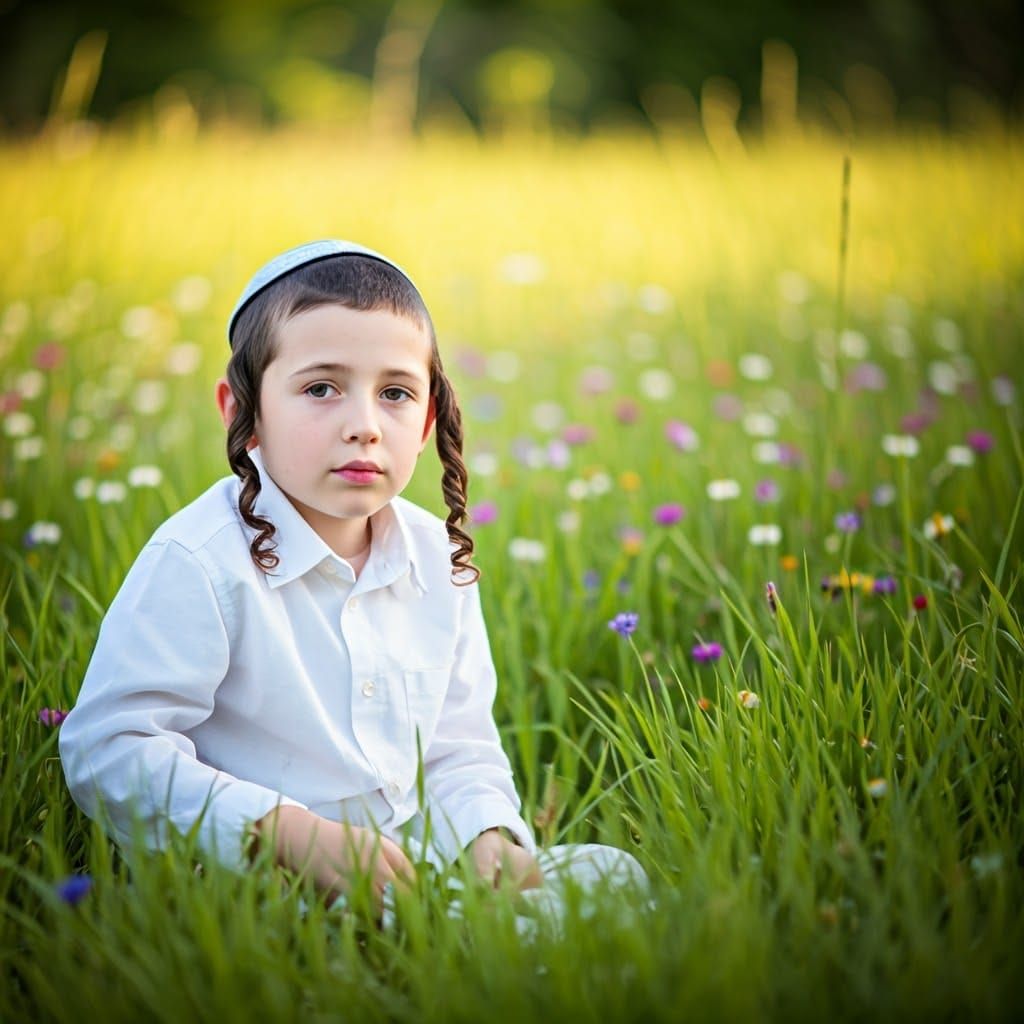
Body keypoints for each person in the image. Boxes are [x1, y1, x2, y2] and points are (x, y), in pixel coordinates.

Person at [59, 239, 647, 928]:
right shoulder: (201, 561)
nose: (364, 426)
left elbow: (457, 744)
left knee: (614, 874)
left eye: (395, 394)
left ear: (426, 421)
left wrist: (489, 835)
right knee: (498, 935)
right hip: (262, 885)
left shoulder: (438, 557)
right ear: (241, 413)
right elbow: (111, 749)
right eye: (320, 389)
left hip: (407, 869)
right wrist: (282, 831)